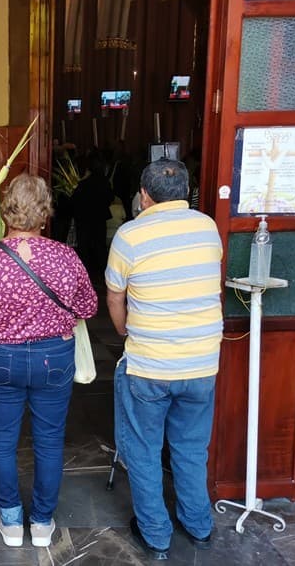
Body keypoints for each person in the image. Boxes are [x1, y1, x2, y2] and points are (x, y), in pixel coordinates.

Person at [0, 174, 97, 548]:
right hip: (54, 358)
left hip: (1, 358)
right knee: (49, 442)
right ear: (45, 213)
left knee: (1, 441)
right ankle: (43, 524)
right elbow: (89, 307)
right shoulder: (66, 257)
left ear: (6, 212)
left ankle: (12, 522)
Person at [105, 158, 223, 560]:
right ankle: (199, 525)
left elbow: (115, 296)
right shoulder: (208, 229)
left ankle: (156, 533)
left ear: (143, 195)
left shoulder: (129, 235)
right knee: (191, 448)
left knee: (143, 448)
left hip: (149, 365)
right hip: (202, 364)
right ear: (186, 192)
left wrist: (124, 333)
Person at [71, 152, 114, 274]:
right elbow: (110, 197)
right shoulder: (104, 182)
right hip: (99, 218)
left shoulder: (83, 184)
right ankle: (103, 272)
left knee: (84, 246)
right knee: (100, 245)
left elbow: (74, 200)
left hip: (84, 218)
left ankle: (85, 272)